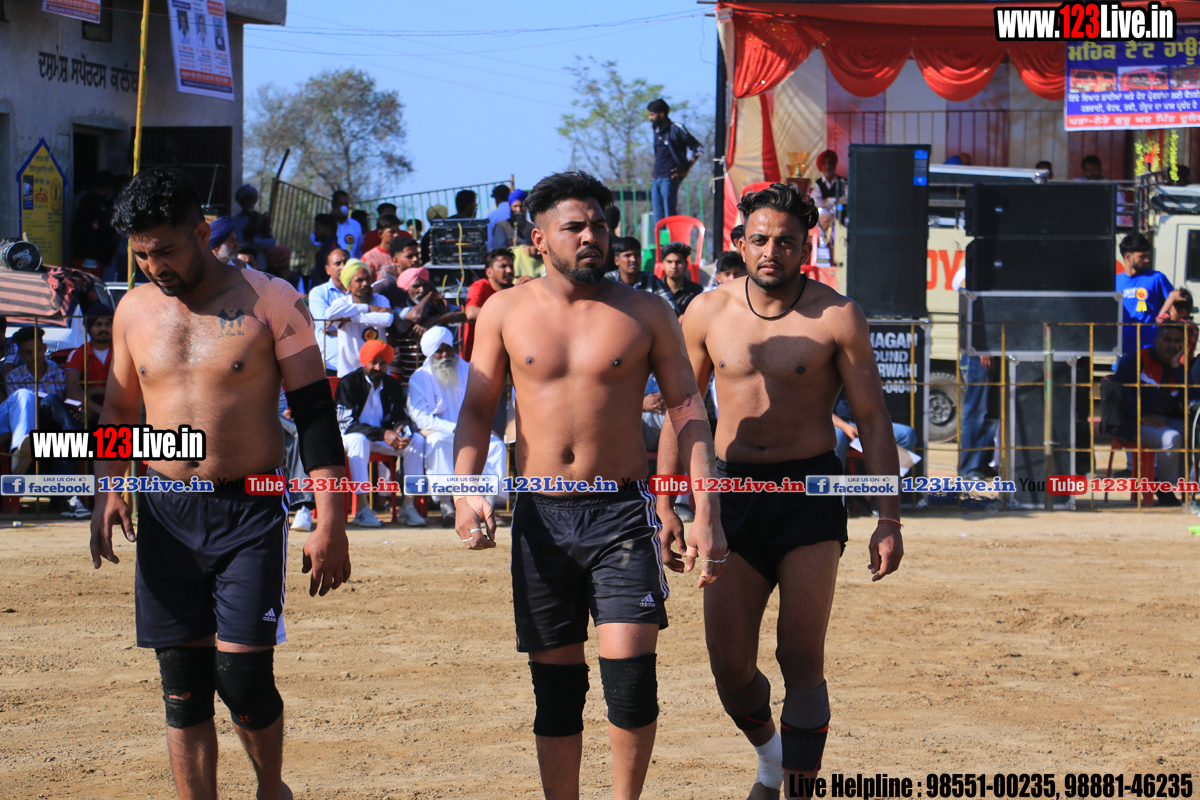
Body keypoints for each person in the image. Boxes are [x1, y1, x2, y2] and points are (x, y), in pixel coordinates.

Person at [452, 171, 725, 800]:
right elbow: (477, 410)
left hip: (622, 513)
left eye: (599, 225)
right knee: (556, 691)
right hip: (541, 517)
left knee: (631, 682)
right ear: (539, 239)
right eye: (574, 226)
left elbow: (689, 413)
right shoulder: (504, 311)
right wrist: (466, 490)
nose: (591, 237)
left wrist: (702, 511)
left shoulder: (647, 311)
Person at [92, 166, 350, 800]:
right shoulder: (132, 309)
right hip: (165, 510)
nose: (154, 266)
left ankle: (270, 787)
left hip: (248, 511)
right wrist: (108, 489)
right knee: (181, 685)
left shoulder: (272, 300)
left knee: (243, 679)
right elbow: (119, 412)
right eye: (141, 254)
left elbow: (315, 416)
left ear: (202, 233)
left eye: (166, 250)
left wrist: (331, 520)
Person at [655, 181, 903, 800]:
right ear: (740, 242)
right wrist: (666, 503)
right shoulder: (706, 312)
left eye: (786, 241)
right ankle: (771, 762)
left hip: (809, 496)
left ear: (805, 247)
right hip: (730, 495)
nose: (772, 251)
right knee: (730, 667)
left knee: (800, 655)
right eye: (760, 239)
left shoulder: (837, 315)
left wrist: (889, 517)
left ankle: (797, 791)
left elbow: (872, 420)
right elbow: (683, 410)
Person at [408, 326, 508, 524]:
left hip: (472, 430)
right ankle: (447, 507)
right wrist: (454, 429)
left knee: (497, 446)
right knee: (438, 442)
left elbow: (483, 404)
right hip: (441, 431)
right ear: (430, 353)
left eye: (448, 349)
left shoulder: (469, 370)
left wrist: (480, 429)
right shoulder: (419, 377)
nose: (445, 354)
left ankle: (487, 507)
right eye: (439, 351)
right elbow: (421, 418)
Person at [336, 339, 427, 528]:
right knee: (358, 440)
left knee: (417, 440)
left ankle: (408, 506)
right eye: (374, 362)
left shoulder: (392, 384)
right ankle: (362, 509)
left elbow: (400, 415)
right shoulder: (349, 382)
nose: (378, 367)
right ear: (365, 362)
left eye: (383, 363)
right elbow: (347, 424)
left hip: (383, 439)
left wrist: (402, 430)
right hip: (352, 437)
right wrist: (383, 434)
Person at [1114, 322, 1194, 505]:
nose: (1172, 345)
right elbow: (1119, 392)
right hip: (1134, 423)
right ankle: (1163, 487)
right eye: (1167, 340)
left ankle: (1189, 485)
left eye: (1177, 341)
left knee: (1195, 433)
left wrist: (1177, 366)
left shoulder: (1178, 368)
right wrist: (1141, 415)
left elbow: (1190, 399)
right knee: (1171, 438)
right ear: (1157, 341)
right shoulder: (1138, 359)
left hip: (1166, 421)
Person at [326, 260, 394, 377]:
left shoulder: (380, 300)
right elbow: (329, 314)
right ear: (348, 285)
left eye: (367, 279)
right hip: (349, 372)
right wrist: (367, 308)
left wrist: (352, 318)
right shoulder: (341, 303)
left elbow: (386, 320)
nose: (365, 284)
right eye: (359, 280)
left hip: (377, 370)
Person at [647, 98, 702, 224]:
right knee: (658, 216)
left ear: (662, 114)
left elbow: (698, 149)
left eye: (652, 114)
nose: (650, 118)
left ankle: (672, 236)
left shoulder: (676, 129)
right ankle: (660, 237)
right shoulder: (656, 130)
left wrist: (686, 169)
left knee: (669, 215)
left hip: (669, 177)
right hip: (656, 177)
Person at [1117, 232, 1173, 355]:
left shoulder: (1157, 278)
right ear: (1128, 257)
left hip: (1150, 348)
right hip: (1123, 348)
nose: (1147, 260)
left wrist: (1160, 320)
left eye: (1148, 256)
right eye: (1142, 256)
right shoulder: (1115, 281)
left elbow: (1175, 302)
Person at [64, 304, 114, 427]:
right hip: (88, 408)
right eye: (98, 324)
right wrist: (101, 412)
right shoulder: (78, 354)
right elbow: (72, 392)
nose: (103, 329)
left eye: (108, 324)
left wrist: (94, 391)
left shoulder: (123, 352)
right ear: (89, 327)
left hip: (118, 406)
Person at [462, 248, 515, 362]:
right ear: (489, 272)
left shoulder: (516, 289)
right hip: (476, 359)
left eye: (511, 266)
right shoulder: (480, 286)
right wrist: (507, 318)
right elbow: (471, 312)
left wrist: (532, 282)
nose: (509, 270)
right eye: (503, 266)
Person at [308, 249, 350, 375]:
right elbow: (325, 324)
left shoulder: (360, 291)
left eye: (346, 262)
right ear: (328, 270)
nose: (343, 266)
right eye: (338, 263)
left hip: (359, 362)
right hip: (331, 364)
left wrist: (339, 323)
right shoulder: (318, 292)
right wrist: (355, 324)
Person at [605, 237, 674, 308]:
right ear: (616, 260)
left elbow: (671, 307)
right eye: (628, 255)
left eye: (637, 255)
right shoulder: (608, 282)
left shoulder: (651, 280)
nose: (633, 259)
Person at [73, 170, 119, 268]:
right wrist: (113, 235)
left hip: (81, 250)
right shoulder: (97, 200)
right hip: (92, 252)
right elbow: (103, 224)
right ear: (108, 188)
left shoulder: (85, 198)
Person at [1157, 287, 1198, 366]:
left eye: (1170, 311)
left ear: (1182, 312)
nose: (1168, 314)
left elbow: (1158, 322)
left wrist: (1170, 300)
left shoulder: (1188, 326)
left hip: (1179, 368)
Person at [660, 242, 703, 316]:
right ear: (663, 263)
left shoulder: (697, 291)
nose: (674, 266)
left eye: (678, 262)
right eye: (669, 262)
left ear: (686, 264)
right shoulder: (655, 289)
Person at [231, 184, 273, 249]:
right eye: (246, 198)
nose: (249, 201)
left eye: (251, 198)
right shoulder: (235, 221)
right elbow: (239, 242)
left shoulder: (262, 220)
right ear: (241, 201)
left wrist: (254, 241)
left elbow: (271, 242)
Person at [362, 213, 402, 281]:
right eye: (392, 232)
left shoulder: (403, 254)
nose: (396, 235)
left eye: (398, 231)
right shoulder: (370, 257)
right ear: (380, 234)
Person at [331, 190, 363, 257]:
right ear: (333, 204)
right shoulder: (327, 223)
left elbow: (359, 250)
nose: (344, 207)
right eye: (340, 204)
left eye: (346, 204)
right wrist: (332, 219)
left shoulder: (356, 225)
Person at [311, 213, 339, 281]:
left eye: (317, 229)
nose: (314, 231)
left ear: (327, 230)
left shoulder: (332, 251)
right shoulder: (325, 248)